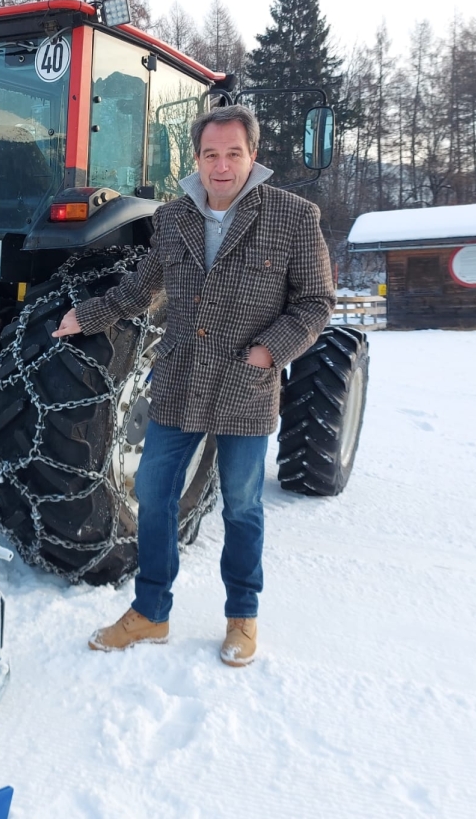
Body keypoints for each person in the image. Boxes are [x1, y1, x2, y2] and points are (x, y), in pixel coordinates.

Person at [51, 104, 334, 667]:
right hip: (180, 380)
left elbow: (316, 302)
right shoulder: (175, 217)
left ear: (253, 157)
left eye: (233, 153)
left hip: (244, 384)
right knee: (155, 496)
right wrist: (88, 315)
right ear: (197, 159)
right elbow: (140, 289)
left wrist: (267, 353)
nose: (221, 165)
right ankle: (151, 611)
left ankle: (242, 617)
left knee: (243, 506)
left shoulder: (293, 216)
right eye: (211, 154)